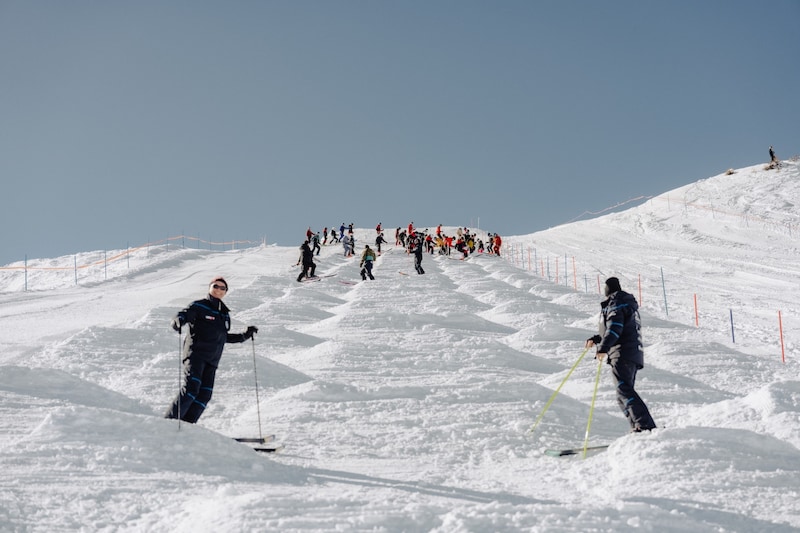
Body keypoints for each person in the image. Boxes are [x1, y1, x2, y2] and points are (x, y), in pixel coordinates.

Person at [166, 277, 258, 423]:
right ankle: (169, 422)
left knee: (204, 395)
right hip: (196, 355)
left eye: (223, 288)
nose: (219, 290)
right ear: (210, 287)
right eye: (216, 286)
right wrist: (178, 321)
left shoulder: (224, 314)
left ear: (226, 292)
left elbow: (222, 337)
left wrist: (244, 335)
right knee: (191, 389)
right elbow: (184, 315)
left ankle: (187, 425)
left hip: (212, 360)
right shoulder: (200, 306)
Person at [586, 277, 656, 433]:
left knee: (624, 390)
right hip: (630, 352)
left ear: (608, 289)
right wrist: (597, 339)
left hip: (622, 352)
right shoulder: (624, 304)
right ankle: (637, 427)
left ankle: (645, 425)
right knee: (622, 393)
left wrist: (604, 347)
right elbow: (617, 329)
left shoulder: (616, 304)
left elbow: (615, 328)